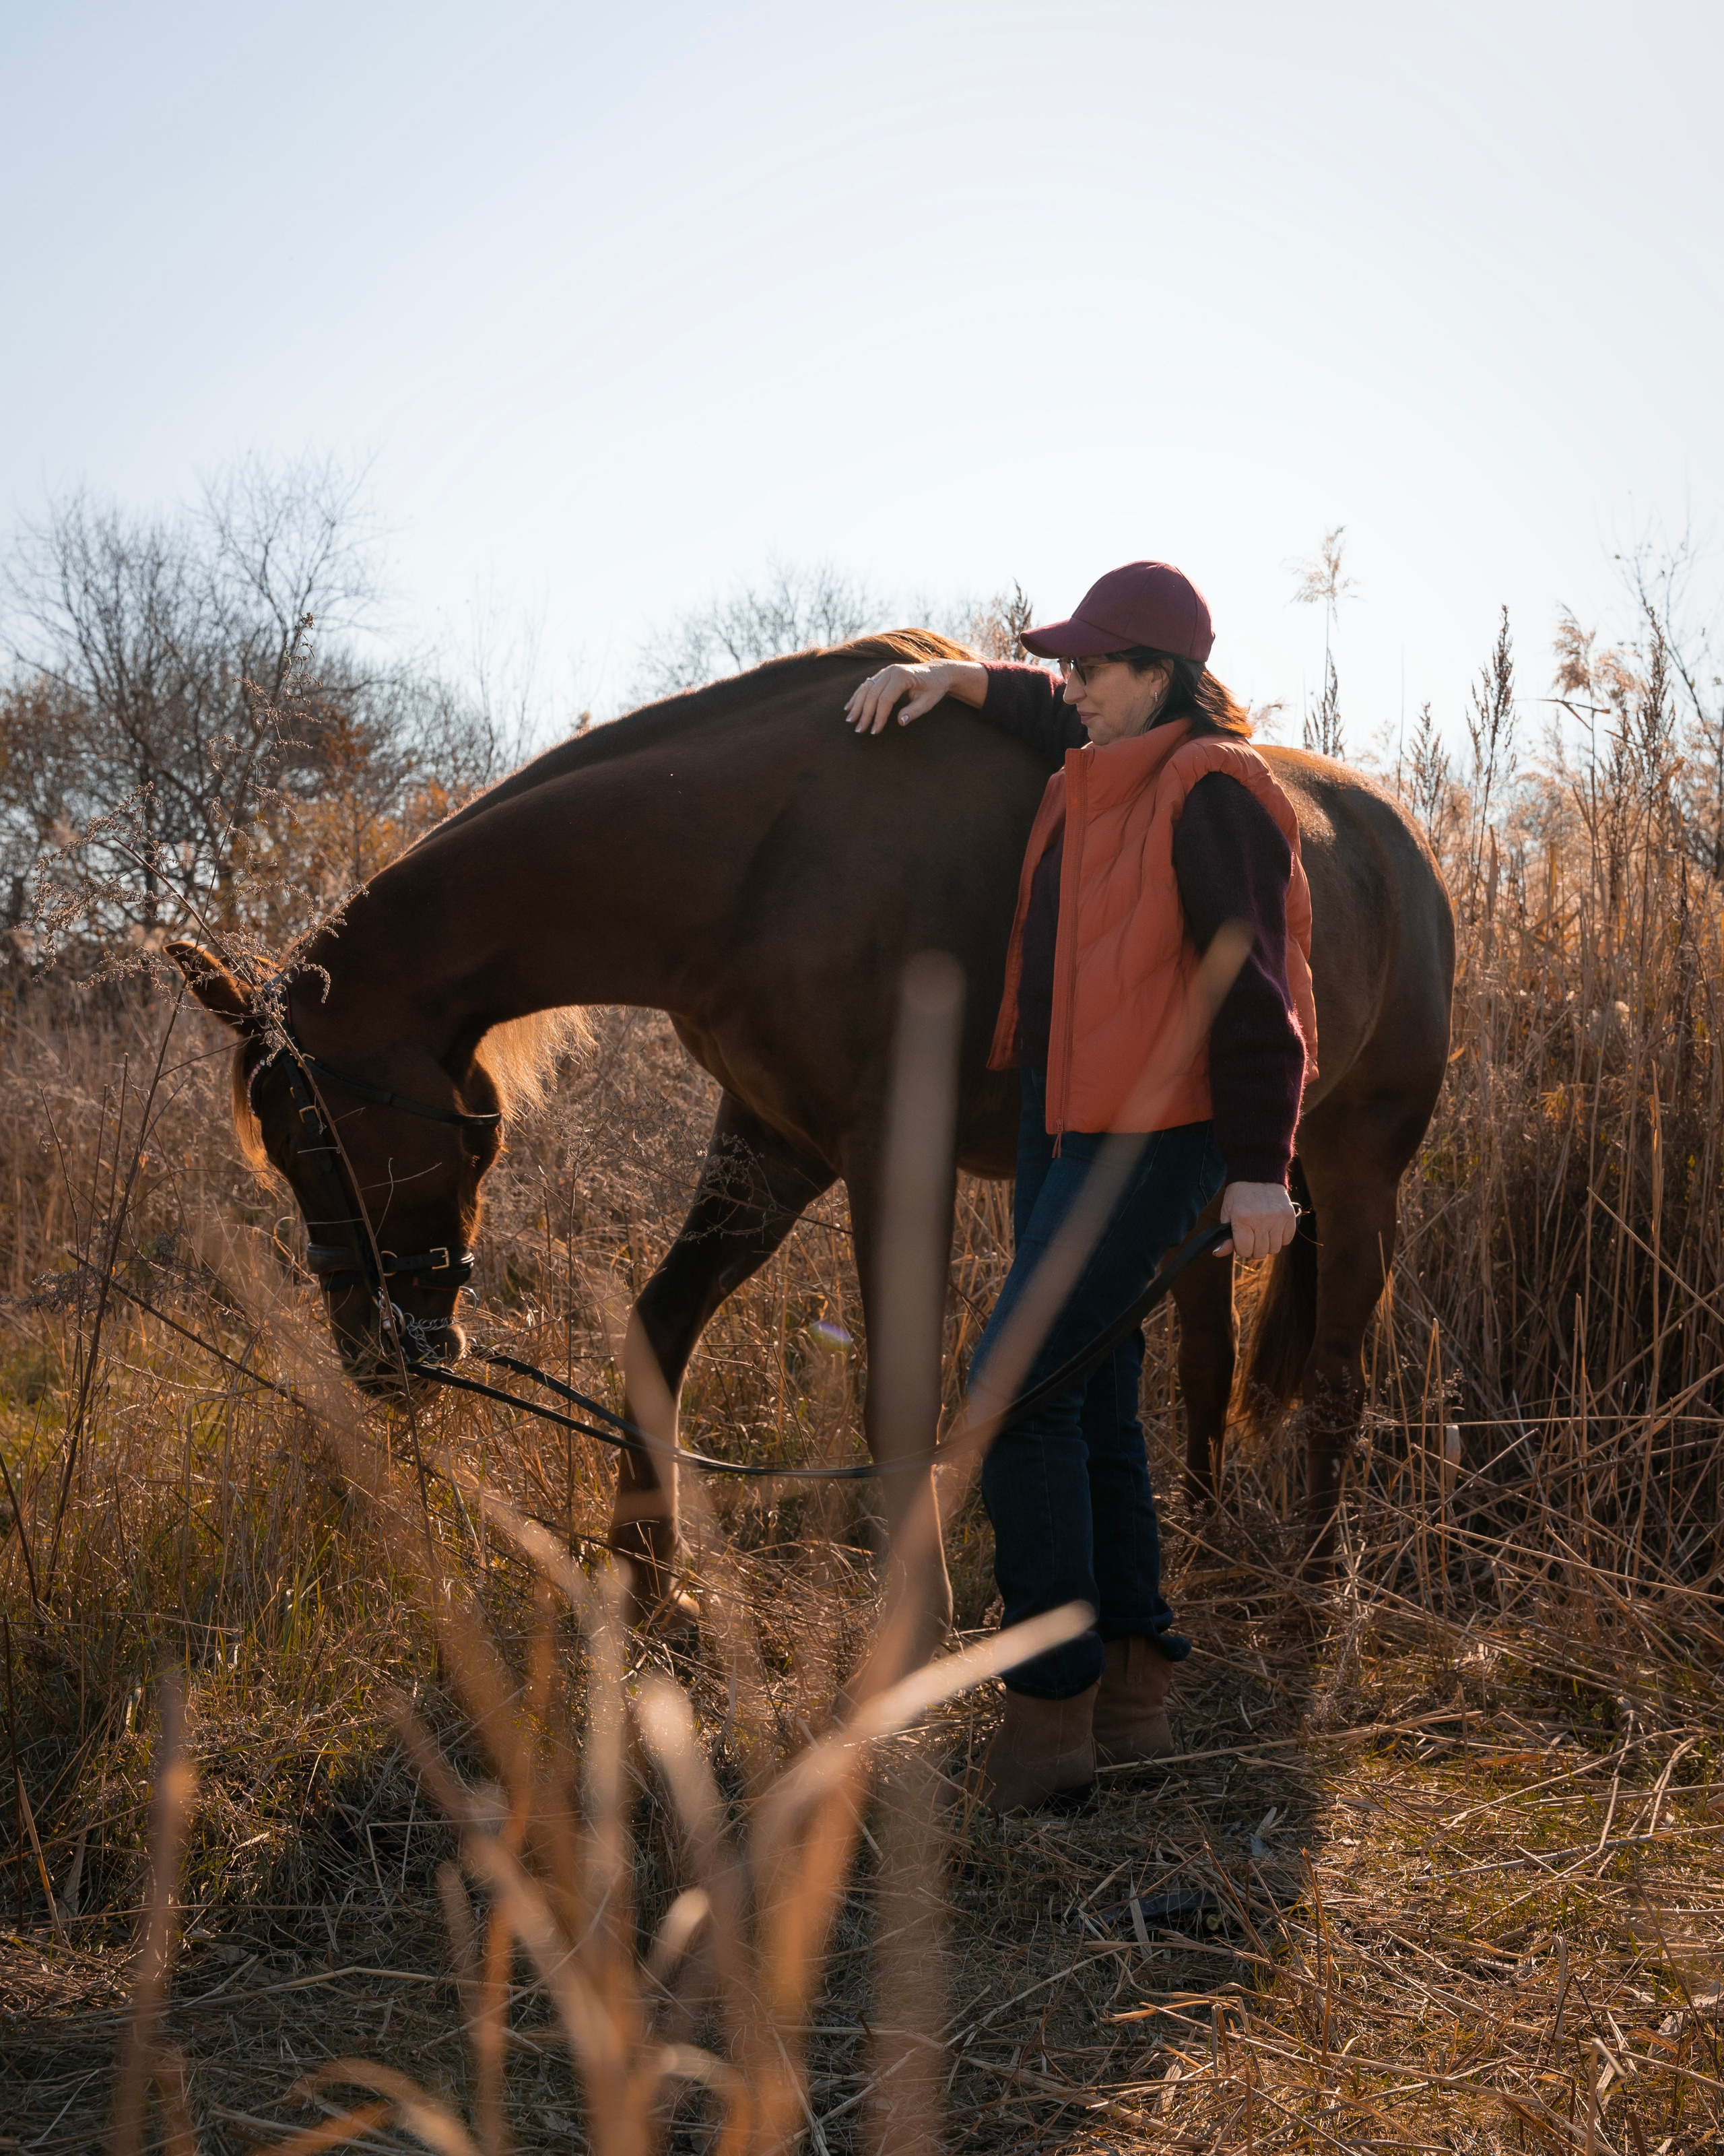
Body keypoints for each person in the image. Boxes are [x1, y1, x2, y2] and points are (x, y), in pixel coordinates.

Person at [844, 560, 1317, 1812]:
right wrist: (953, 678)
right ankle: (1131, 1697)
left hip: (1162, 1137)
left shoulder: (1212, 790)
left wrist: (1261, 1169)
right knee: (1093, 1396)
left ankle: (1046, 1721)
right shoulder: (1102, 765)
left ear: (1158, 677)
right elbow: (1045, 713)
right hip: (1066, 1129)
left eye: (1094, 666)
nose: (1073, 685)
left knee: (1014, 1399)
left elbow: (1255, 990)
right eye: (1067, 666)